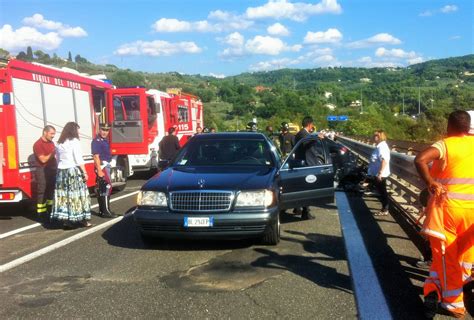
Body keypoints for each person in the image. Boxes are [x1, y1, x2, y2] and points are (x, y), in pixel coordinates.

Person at [415, 110, 474, 318]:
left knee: (446, 255)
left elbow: (420, 159)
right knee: (466, 255)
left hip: (449, 210)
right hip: (472, 213)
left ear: (449, 126)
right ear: (468, 128)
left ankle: (454, 303)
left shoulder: (445, 144)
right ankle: (463, 286)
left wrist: (431, 182)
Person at [50, 122, 92, 229]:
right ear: (73, 130)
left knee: (64, 196)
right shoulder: (75, 142)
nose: (79, 132)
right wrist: (84, 172)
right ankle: (82, 219)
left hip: (61, 172)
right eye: (78, 130)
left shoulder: (59, 143)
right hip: (72, 171)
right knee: (78, 195)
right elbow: (78, 159)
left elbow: (57, 159)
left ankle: (67, 221)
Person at [294, 116, 318, 220]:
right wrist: (316, 137)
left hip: (301, 163)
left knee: (299, 187)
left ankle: (297, 207)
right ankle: (305, 212)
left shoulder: (300, 134)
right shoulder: (304, 134)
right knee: (307, 188)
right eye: (312, 125)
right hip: (306, 164)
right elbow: (306, 143)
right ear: (309, 124)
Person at [91, 123, 116, 218]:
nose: (105, 132)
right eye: (103, 130)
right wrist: (99, 170)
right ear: (99, 130)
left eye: (107, 130)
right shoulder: (97, 141)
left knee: (103, 188)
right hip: (102, 166)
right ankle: (105, 211)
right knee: (107, 187)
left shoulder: (104, 140)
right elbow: (96, 156)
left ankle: (103, 210)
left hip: (105, 165)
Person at [33, 125, 57, 223]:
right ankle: (41, 214)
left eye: (54, 134)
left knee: (51, 191)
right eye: (51, 134)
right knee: (42, 191)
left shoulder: (51, 143)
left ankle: (49, 210)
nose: (53, 136)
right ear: (45, 132)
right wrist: (53, 153)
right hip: (42, 170)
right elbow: (43, 159)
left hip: (52, 170)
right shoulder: (38, 144)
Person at [367, 130, 391, 216]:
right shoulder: (379, 146)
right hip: (377, 173)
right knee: (381, 191)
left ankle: (385, 209)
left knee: (382, 192)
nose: (374, 137)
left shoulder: (382, 146)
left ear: (380, 136)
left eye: (376, 135)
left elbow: (384, 160)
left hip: (381, 174)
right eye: (374, 135)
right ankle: (385, 208)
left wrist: (380, 173)